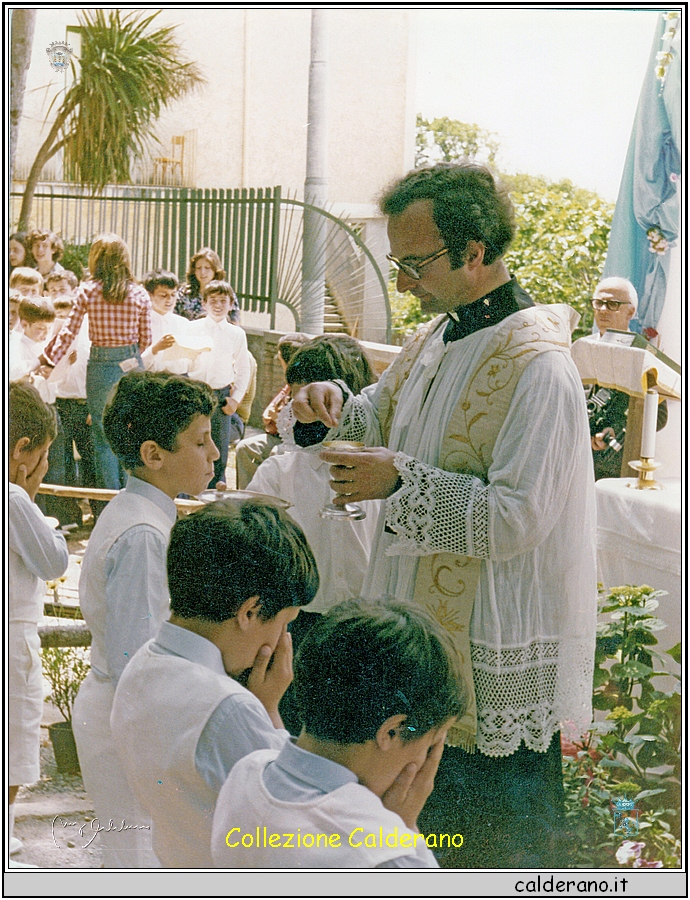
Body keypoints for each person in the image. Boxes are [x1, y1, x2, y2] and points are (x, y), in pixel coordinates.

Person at [291, 163, 597, 868]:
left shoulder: (539, 367)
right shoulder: (435, 339)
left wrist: (397, 484)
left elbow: (520, 518)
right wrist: (325, 410)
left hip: (486, 654)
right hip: (421, 644)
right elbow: (374, 416)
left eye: (415, 263)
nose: (402, 284)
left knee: (489, 858)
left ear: (477, 251)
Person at [111, 499, 319, 867]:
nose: (281, 640)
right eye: (283, 623)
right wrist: (269, 710)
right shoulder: (228, 708)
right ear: (250, 612)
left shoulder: (143, 664)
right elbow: (300, 824)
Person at [72, 371, 218, 867]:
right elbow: (138, 657)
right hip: (126, 718)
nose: (215, 453)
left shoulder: (145, 513)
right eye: (200, 442)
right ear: (154, 454)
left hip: (125, 711)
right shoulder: (143, 534)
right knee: (139, 861)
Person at [211, 599, 466, 868]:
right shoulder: (388, 859)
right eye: (431, 745)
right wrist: (403, 832)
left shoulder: (246, 770)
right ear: (391, 731)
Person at [38, 233, 152, 491]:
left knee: (103, 437)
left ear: (95, 260)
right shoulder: (139, 293)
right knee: (132, 431)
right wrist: (129, 354)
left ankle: (110, 498)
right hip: (131, 363)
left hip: (101, 366)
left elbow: (68, 332)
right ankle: (134, 493)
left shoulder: (87, 291)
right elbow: (146, 339)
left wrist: (48, 361)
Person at [9, 383, 69, 866]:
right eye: (44, 454)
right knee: (13, 745)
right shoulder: (13, 496)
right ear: (23, 451)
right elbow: (53, 562)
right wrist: (29, 495)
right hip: (13, 643)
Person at [580, 277, 667, 480]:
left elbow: (659, 417)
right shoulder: (581, 348)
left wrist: (616, 430)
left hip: (615, 466)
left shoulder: (644, 355)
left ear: (631, 312)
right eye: (598, 303)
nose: (603, 310)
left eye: (613, 304)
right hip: (574, 458)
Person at [187, 280, 250, 487]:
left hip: (220, 397)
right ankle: (189, 495)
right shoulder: (191, 328)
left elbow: (243, 370)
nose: (218, 305)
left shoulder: (236, 334)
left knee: (218, 451)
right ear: (203, 304)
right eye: (212, 300)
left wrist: (235, 400)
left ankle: (215, 495)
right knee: (190, 444)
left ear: (231, 304)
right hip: (194, 394)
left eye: (223, 301)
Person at [235, 332, 310, 489]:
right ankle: (249, 498)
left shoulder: (306, 384)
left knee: (277, 454)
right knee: (246, 447)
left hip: (299, 443)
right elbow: (271, 410)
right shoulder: (290, 381)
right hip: (279, 436)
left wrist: (277, 417)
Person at [140, 269, 193, 375]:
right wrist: (155, 349)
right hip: (151, 379)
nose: (169, 299)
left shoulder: (183, 324)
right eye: (163, 295)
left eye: (173, 295)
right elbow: (136, 363)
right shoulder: (141, 324)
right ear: (150, 295)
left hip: (179, 380)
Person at [175, 247, 240, 323]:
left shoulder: (226, 293)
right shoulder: (184, 292)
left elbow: (234, 321)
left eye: (207, 268)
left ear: (215, 270)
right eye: (198, 268)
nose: (203, 272)